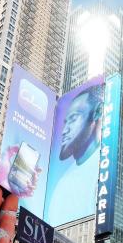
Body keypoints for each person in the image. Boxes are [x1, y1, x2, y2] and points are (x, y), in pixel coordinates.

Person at [45, 84, 105, 224]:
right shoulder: (60, 186)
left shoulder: (105, 167)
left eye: (73, 119)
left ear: (97, 112)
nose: (64, 130)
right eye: (65, 122)